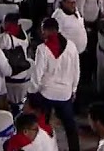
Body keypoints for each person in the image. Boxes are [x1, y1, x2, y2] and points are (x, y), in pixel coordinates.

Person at [28, 18, 80, 151]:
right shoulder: (72, 46)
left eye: (42, 30)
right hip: (65, 94)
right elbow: (76, 70)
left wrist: (31, 92)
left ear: (46, 30)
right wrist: (74, 89)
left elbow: (37, 74)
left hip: (47, 94)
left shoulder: (42, 49)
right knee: (70, 127)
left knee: (43, 125)